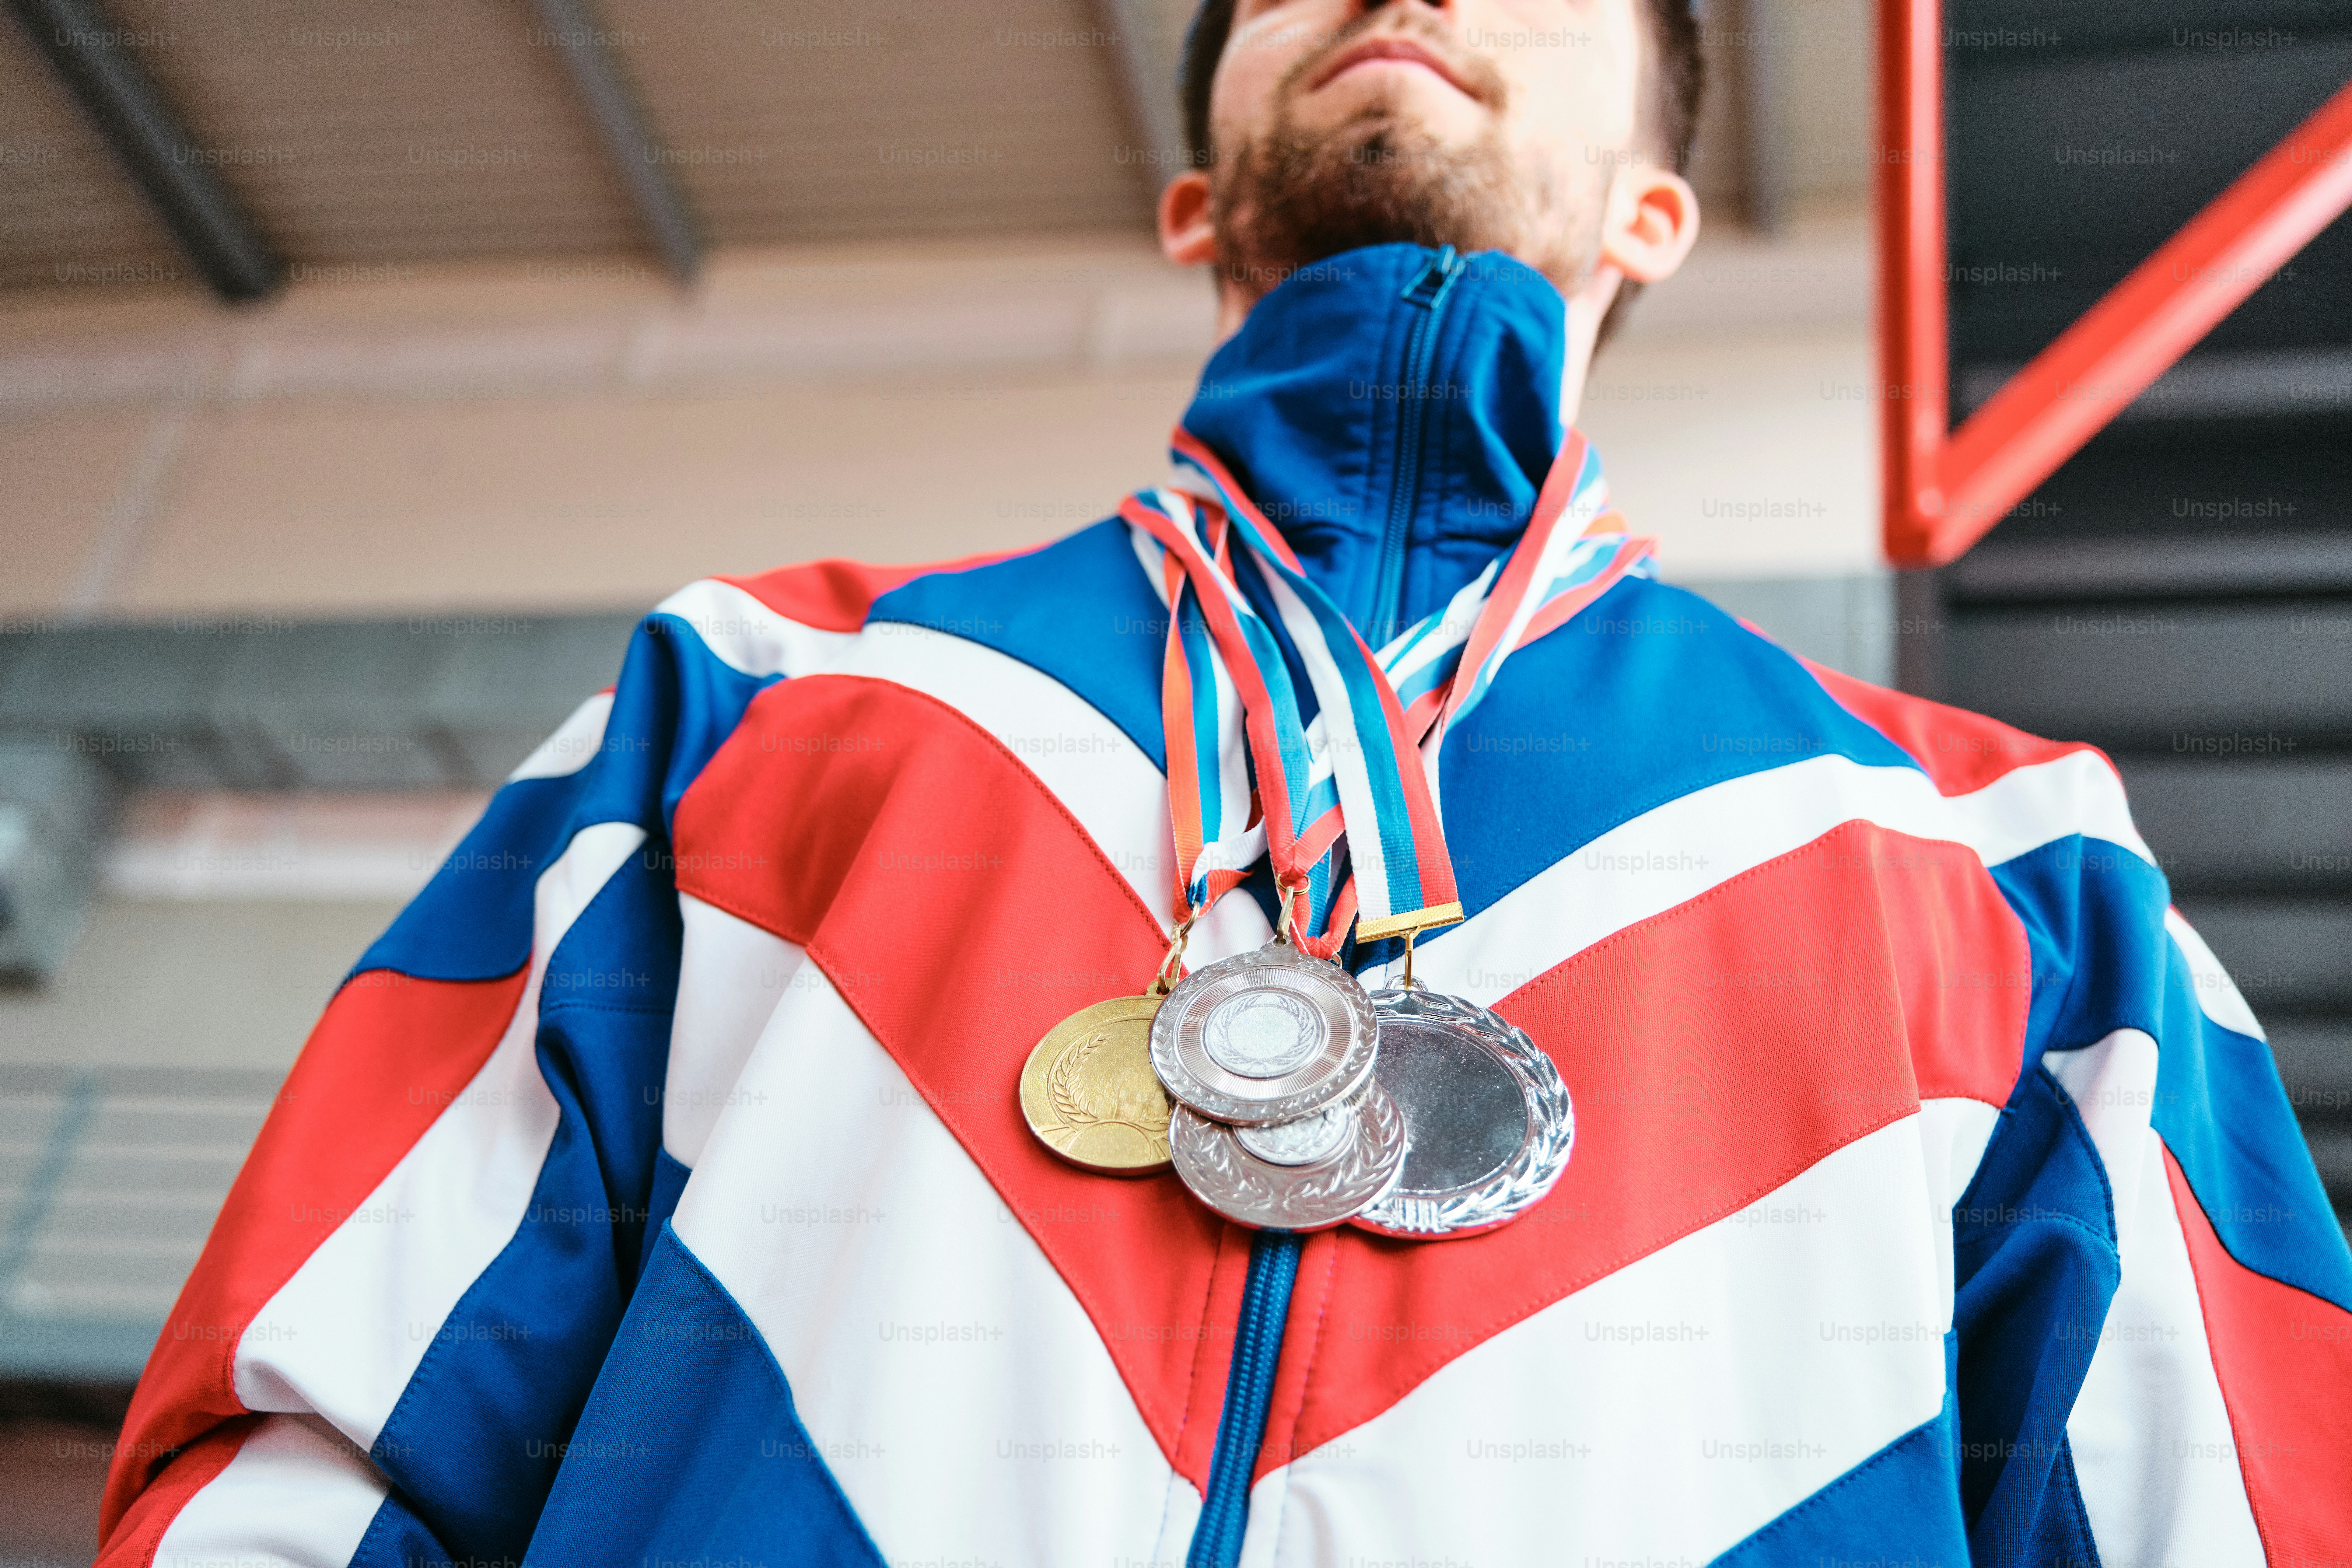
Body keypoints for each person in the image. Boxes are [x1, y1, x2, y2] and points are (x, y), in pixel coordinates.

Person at [96, 1, 2351, 1563]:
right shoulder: (775, 689)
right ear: (1194, 208)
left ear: (1656, 211)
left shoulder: (1995, 857)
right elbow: (313, 1424)